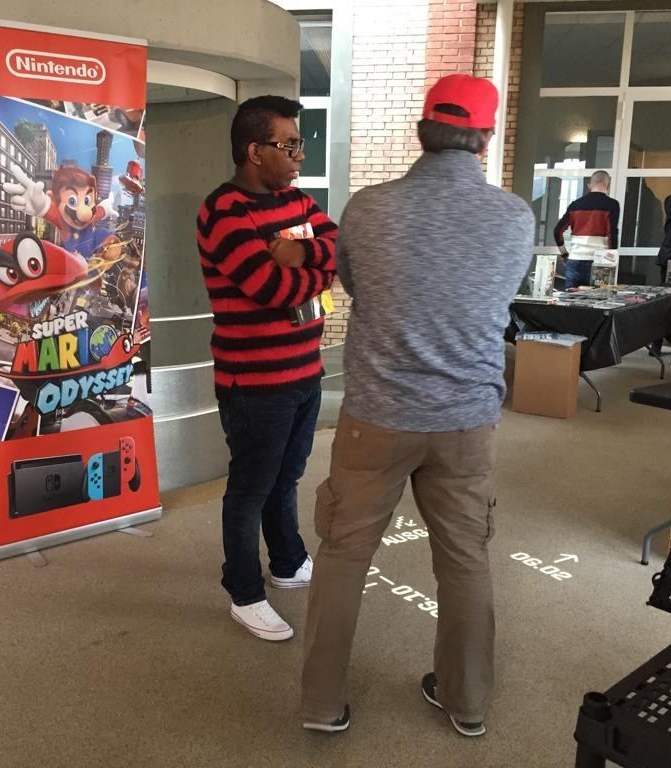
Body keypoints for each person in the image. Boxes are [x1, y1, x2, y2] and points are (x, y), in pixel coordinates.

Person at [299, 74, 534, 736]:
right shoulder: (515, 217)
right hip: (466, 420)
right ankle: (467, 703)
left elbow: (354, 283)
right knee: (464, 558)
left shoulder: (368, 208)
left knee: (344, 552)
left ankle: (321, 704)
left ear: (422, 129)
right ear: (485, 138)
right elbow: (500, 293)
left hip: (376, 414)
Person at [195, 95, 337, 643]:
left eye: (300, 144)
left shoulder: (296, 201)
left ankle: (287, 561)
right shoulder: (224, 212)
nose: (300, 155)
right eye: (290, 145)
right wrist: (315, 270)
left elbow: (338, 245)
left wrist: (300, 254)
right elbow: (270, 289)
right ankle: (244, 592)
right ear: (255, 151)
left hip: (303, 372)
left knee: (288, 476)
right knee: (250, 489)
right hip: (254, 383)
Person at [554, 170, 620, 289]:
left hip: (575, 260)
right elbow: (612, 234)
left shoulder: (575, 205)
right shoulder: (612, 205)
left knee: (571, 298)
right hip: (600, 262)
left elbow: (557, 231)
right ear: (608, 185)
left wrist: (564, 254)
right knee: (599, 298)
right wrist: (612, 261)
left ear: (589, 185)